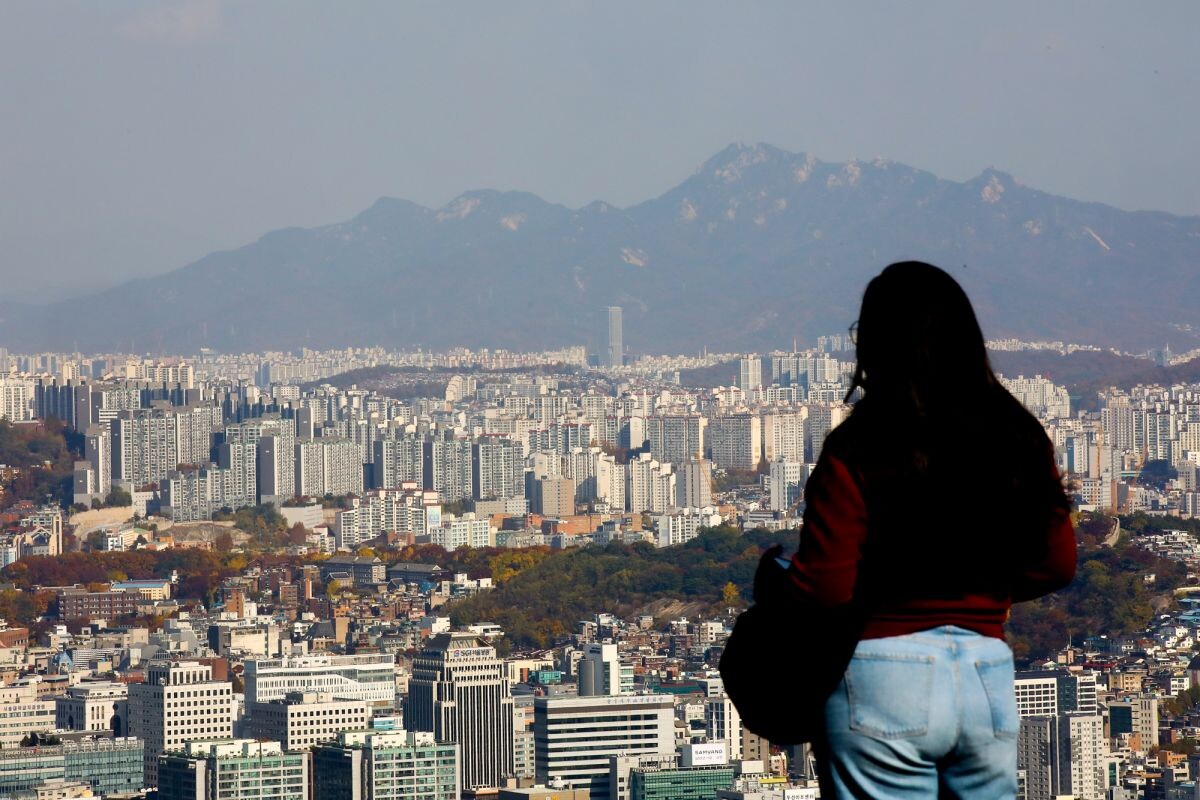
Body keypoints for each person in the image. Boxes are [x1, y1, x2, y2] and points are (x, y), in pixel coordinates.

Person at [786, 261, 1076, 799]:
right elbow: (1057, 562)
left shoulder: (857, 446)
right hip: (985, 671)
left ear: (872, 346)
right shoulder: (1018, 437)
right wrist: (987, 591)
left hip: (882, 670)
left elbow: (825, 586)